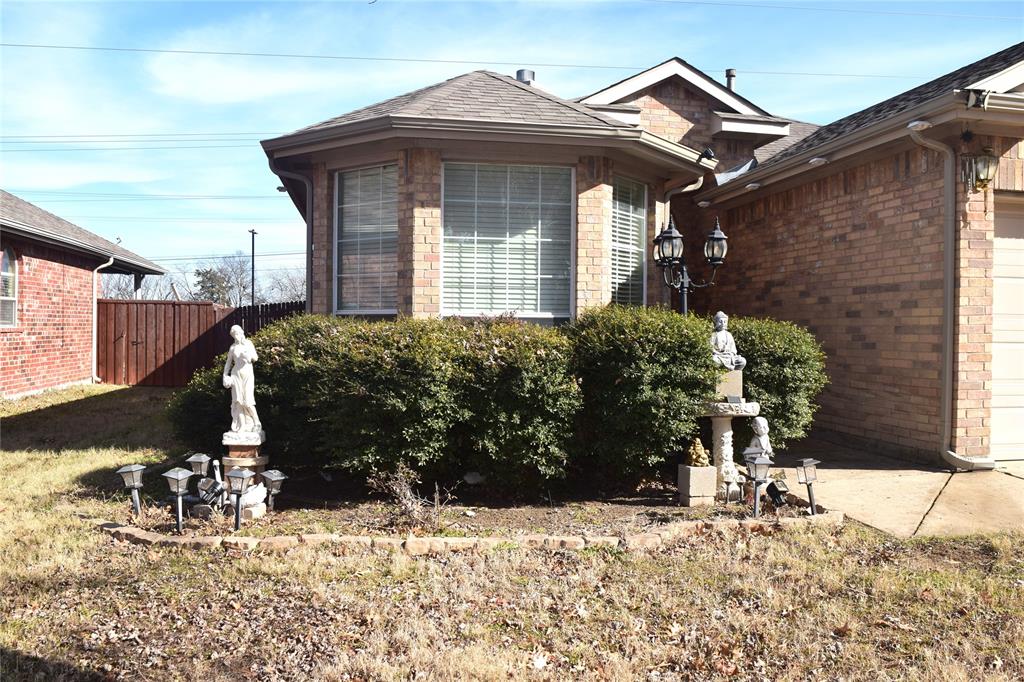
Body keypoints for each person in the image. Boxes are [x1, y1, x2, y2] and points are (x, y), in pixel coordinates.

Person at [222, 325, 261, 433]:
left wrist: (247, 356)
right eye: (234, 335)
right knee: (238, 401)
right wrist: (225, 376)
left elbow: (255, 358)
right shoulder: (233, 347)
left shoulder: (248, 344)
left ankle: (257, 422)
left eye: (238, 333)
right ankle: (242, 425)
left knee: (248, 401)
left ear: (241, 333)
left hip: (247, 374)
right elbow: (228, 363)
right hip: (236, 375)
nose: (236, 336)